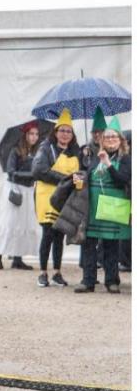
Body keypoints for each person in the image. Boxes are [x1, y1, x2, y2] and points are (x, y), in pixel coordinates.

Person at [73, 110, 129, 294]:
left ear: (120, 140)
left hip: (113, 208)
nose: (111, 139)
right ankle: (88, 281)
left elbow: (123, 180)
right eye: (107, 137)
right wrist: (80, 180)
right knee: (89, 244)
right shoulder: (94, 157)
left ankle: (112, 281)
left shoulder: (126, 159)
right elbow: (87, 177)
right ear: (102, 140)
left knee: (111, 245)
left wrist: (108, 164)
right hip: (94, 207)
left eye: (114, 137)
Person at [31, 111, 81, 288]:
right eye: (62, 130)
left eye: (69, 131)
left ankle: (57, 273)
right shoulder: (46, 148)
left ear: (72, 134)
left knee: (59, 234)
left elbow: (81, 173)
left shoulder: (76, 151)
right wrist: (66, 179)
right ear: (55, 132)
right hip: (47, 197)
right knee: (48, 234)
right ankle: (43, 273)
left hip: (65, 198)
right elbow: (38, 171)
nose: (65, 134)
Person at [0, 122, 39, 271]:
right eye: (31, 134)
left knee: (23, 223)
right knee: (8, 222)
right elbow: (11, 171)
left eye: (36, 134)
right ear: (25, 135)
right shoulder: (16, 151)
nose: (34, 137)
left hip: (29, 190)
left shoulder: (36, 153)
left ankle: (18, 258)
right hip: (14, 189)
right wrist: (31, 174)